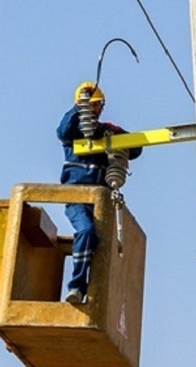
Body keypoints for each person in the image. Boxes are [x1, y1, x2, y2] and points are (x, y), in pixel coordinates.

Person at [56, 81, 143, 303]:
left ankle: (97, 294)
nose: (94, 110)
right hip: (76, 196)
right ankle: (77, 287)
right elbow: (63, 130)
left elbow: (135, 148)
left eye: (96, 105)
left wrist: (114, 134)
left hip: (100, 200)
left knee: (101, 243)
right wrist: (79, 109)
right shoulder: (73, 133)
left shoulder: (105, 132)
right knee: (85, 232)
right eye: (91, 106)